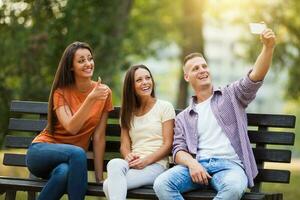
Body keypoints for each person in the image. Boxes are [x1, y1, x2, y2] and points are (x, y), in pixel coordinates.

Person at [154, 28, 276, 200]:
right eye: (196, 68)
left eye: (204, 66)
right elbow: (178, 150)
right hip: (197, 167)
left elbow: (255, 77)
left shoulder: (231, 95)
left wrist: (268, 47)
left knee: (233, 188)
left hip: (230, 167)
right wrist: (193, 164)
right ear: (187, 77)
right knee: (162, 184)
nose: (202, 70)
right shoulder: (183, 117)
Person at [26, 41, 113, 200]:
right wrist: (90, 99)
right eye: (81, 61)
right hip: (40, 152)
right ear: (71, 66)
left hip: (69, 161)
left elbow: (99, 137)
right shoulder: (61, 92)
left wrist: (100, 178)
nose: (88, 64)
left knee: (63, 173)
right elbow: (71, 127)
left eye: (90, 58)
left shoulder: (104, 92)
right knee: (78, 152)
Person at [103, 64, 175, 200]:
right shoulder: (127, 112)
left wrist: (146, 161)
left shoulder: (164, 107)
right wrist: (128, 155)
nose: (145, 82)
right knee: (114, 163)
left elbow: (168, 144)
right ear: (131, 86)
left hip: (156, 165)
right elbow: (124, 145)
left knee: (108, 186)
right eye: (139, 80)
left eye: (148, 78)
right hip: (133, 164)